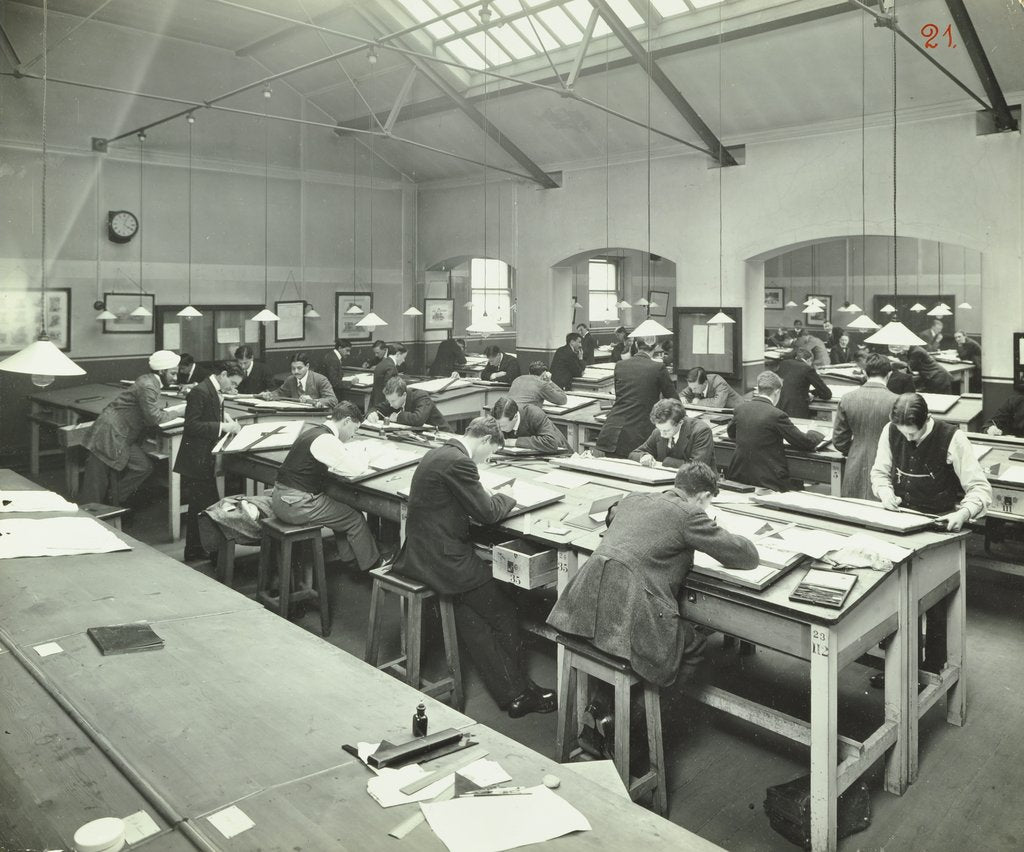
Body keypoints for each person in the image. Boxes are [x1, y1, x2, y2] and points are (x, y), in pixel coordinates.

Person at [396, 417, 556, 718]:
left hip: (420, 554)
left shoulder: (439, 453)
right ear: (484, 440)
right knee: (504, 609)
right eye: (491, 452)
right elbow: (487, 512)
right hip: (444, 561)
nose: (489, 459)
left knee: (471, 615)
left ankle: (515, 693)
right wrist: (509, 495)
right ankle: (519, 690)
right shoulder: (461, 463)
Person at [547, 461, 759, 687]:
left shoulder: (633, 498)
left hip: (582, 610)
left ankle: (605, 710)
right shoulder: (690, 515)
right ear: (703, 496)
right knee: (695, 644)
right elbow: (747, 557)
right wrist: (719, 528)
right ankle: (647, 718)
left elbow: (612, 514)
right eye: (708, 503)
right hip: (631, 617)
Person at [271, 402, 384, 571]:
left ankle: (351, 560)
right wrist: (366, 455)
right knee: (355, 519)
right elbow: (357, 469)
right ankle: (373, 566)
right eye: (354, 429)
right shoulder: (327, 439)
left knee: (341, 510)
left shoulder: (313, 432)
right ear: (346, 421)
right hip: (296, 504)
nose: (353, 435)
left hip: (282, 498)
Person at [79, 350, 186, 506]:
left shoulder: (149, 381)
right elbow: (154, 418)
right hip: (110, 432)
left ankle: (113, 499)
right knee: (95, 482)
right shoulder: (149, 385)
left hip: (122, 433)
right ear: (162, 371)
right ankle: (89, 515)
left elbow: (150, 411)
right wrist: (179, 411)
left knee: (143, 467)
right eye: (173, 373)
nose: (175, 378)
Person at [871, 393, 991, 530]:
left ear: (927, 419)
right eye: (902, 433)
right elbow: (879, 472)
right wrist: (884, 492)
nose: (908, 439)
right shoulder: (890, 429)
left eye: (912, 434)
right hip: (899, 517)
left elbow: (980, 488)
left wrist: (963, 513)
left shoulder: (953, 438)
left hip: (937, 521)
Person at [175, 363, 243, 561]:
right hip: (196, 459)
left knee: (201, 507)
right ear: (222, 374)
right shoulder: (200, 391)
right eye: (231, 382)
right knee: (205, 507)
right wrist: (224, 426)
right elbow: (192, 425)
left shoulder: (213, 389)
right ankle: (205, 552)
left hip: (203, 458)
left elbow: (207, 414)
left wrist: (223, 416)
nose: (232, 388)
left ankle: (197, 550)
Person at [726, 370, 825, 492]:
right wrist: (814, 431)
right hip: (768, 478)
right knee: (798, 485)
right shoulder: (777, 415)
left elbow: (731, 433)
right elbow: (805, 442)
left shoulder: (740, 409)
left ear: (758, 389)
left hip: (740, 474)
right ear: (777, 392)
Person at [595, 336, 676, 457]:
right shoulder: (658, 368)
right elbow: (673, 400)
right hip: (638, 435)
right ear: (656, 347)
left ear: (636, 346)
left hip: (612, 431)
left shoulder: (620, 365)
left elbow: (620, 396)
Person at [832, 354, 898, 500]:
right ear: (889, 374)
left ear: (864, 373)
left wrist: (856, 447)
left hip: (855, 464)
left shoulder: (847, 399)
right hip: (887, 468)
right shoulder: (896, 401)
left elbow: (839, 440)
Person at [628, 399, 715, 468]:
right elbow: (634, 454)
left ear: (680, 423)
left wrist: (666, 461)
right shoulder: (659, 431)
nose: (662, 434)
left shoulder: (701, 431)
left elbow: (698, 467)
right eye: (659, 429)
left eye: (666, 431)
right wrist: (643, 457)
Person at [491, 396, 569, 453]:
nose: (500, 429)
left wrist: (515, 442)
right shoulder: (499, 418)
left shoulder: (534, 414)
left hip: (560, 456)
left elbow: (551, 442)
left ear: (515, 417)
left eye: (503, 426)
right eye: (498, 426)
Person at [368, 376, 450, 430]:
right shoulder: (394, 399)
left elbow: (418, 419)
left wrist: (398, 417)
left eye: (393, 401)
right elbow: (377, 408)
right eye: (389, 401)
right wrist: (372, 414)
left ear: (404, 395)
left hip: (442, 435)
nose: (390, 404)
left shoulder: (421, 397)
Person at [258, 352, 337, 408]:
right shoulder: (290, 380)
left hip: (318, 417)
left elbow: (333, 400)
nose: (296, 372)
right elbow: (279, 393)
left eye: (299, 368)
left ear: (307, 366)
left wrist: (314, 401)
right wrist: (268, 395)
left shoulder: (320, 379)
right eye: (293, 368)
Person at [774, 347, 832, 420]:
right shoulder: (808, 369)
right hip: (796, 411)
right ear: (809, 360)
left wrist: (807, 392)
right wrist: (814, 393)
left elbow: (792, 385)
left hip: (779, 407)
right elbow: (827, 394)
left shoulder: (784, 364)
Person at [887, 345, 952, 394]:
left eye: (899, 350)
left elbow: (909, 367)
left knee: (942, 401)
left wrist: (894, 361)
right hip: (936, 376)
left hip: (938, 378)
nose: (899, 352)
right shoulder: (914, 350)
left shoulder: (916, 352)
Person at [369, 344, 401, 408]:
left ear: (385, 350)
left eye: (377, 352)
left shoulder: (388, 362)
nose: (376, 355)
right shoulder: (390, 365)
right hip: (383, 403)